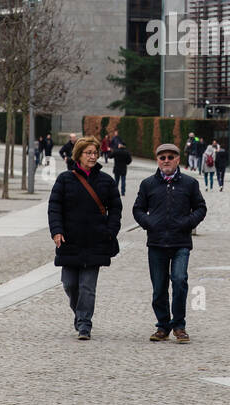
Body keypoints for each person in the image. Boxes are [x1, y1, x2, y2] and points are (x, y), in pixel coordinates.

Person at [48, 137, 122, 340]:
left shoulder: (106, 181)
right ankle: (80, 314)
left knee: (87, 286)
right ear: (78, 155)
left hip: (95, 240)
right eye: (88, 152)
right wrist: (56, 231)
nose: (92, 156)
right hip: (70, 240)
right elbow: (55, 207)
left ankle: (84, 324)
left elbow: (116, 208)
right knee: (69, 284)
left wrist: (110, 231)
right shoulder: (64, 179)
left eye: (95, 153)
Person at [133, 143, 207, 343]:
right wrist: (149, 223)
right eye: (162, 157)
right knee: (159, 287)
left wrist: (187, 223)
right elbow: (137, 209)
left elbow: (201, 207)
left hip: (180, 242)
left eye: (170, 157)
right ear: (157, 160)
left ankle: (179, 326)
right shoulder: (148, 184)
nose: (166, 160)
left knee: (180, 280)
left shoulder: (190, 184)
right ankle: (163, 326)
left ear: (177, 159)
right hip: (156, 243)